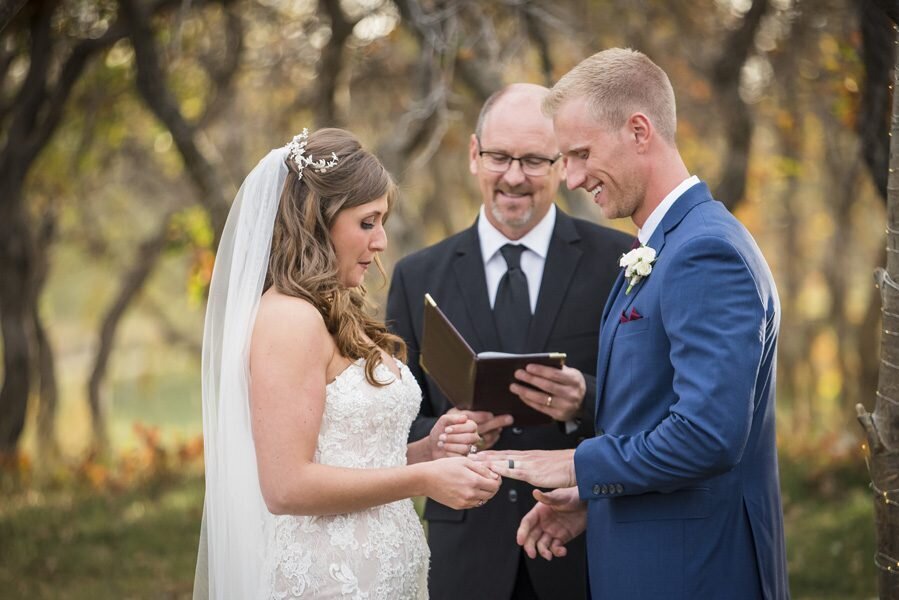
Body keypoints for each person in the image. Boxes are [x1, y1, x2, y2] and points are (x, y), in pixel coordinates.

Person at [480, 49, 790, 599]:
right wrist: (594, 500)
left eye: (580, 154)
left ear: (639, 131)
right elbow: (649, 413)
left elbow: (707, 435)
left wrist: (577, 464)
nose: (571, 178)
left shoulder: (705, 252)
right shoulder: (665, 246)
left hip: (696, 575)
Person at [193, 127, 502, 600]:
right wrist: (424, 479)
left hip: (382, 576)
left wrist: (428, 451)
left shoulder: (329, 310)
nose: (380, 241)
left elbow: (349, 458)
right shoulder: (287, 321)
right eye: (366, 222)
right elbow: (286, 487)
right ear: (318, 221)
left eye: (383, 222)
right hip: (328, 582)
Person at [387, 84, 632, 600]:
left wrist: (586, 397)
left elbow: (650, 401)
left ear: (562, 164)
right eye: (499, 156)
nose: (514, 176)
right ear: (475, 155)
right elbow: (397, 417)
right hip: (465, 552)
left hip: (583, 545)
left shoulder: (619, 261)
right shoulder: (417, 276)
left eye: (534, 160)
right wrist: (445, 434)